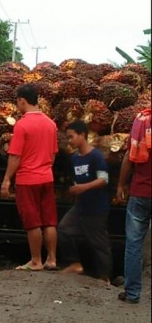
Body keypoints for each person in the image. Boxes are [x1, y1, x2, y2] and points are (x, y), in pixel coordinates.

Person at [0, 83, 59, 271]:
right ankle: (52, 259)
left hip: (27, 180)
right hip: (47, 177)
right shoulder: (51, 124)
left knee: (32, 221)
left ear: (22, 101)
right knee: (49, 220)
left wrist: (7, 179)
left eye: (17, 102)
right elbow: (54, 153)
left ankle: (36, 261)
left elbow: (15, 156)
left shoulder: (22, 125)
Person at [58, 120, 112, 282]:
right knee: (64, 229)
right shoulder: (74, 158)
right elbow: (76, 180)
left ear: (82, 135)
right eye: (67, 138)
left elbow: (104, 179)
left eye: (71, 137)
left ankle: (105, 278)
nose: (69, 141)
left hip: (96, 208)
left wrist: (83, 188)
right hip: (80, 206)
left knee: (99, 244)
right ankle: (74, 263)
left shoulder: (95, 156)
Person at [116, 108, 151, 304]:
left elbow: (130, 157)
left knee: (134, 245)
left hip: (141, 192)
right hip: (141, 193)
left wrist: (121, 185)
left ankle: (132, 293)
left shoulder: (141, 123)